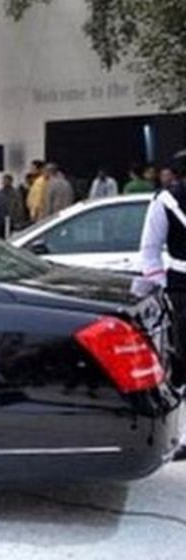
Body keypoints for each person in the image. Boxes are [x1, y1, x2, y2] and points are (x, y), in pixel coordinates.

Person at [136, 176, 186, 462]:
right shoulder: (167, 201)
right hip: (181, 290)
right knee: (181, 363)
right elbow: (150, 250)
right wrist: (162, 287)